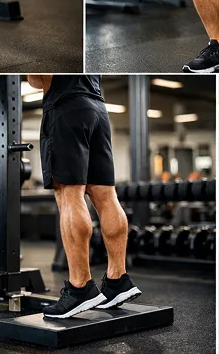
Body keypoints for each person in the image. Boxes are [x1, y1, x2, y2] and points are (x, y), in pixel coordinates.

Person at [26, 75, 142, 318]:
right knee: (107, 196)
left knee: (69, 194)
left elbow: (39, 78)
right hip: (99, 108)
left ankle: (80, 288)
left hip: (65, 106)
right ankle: (117, 280)